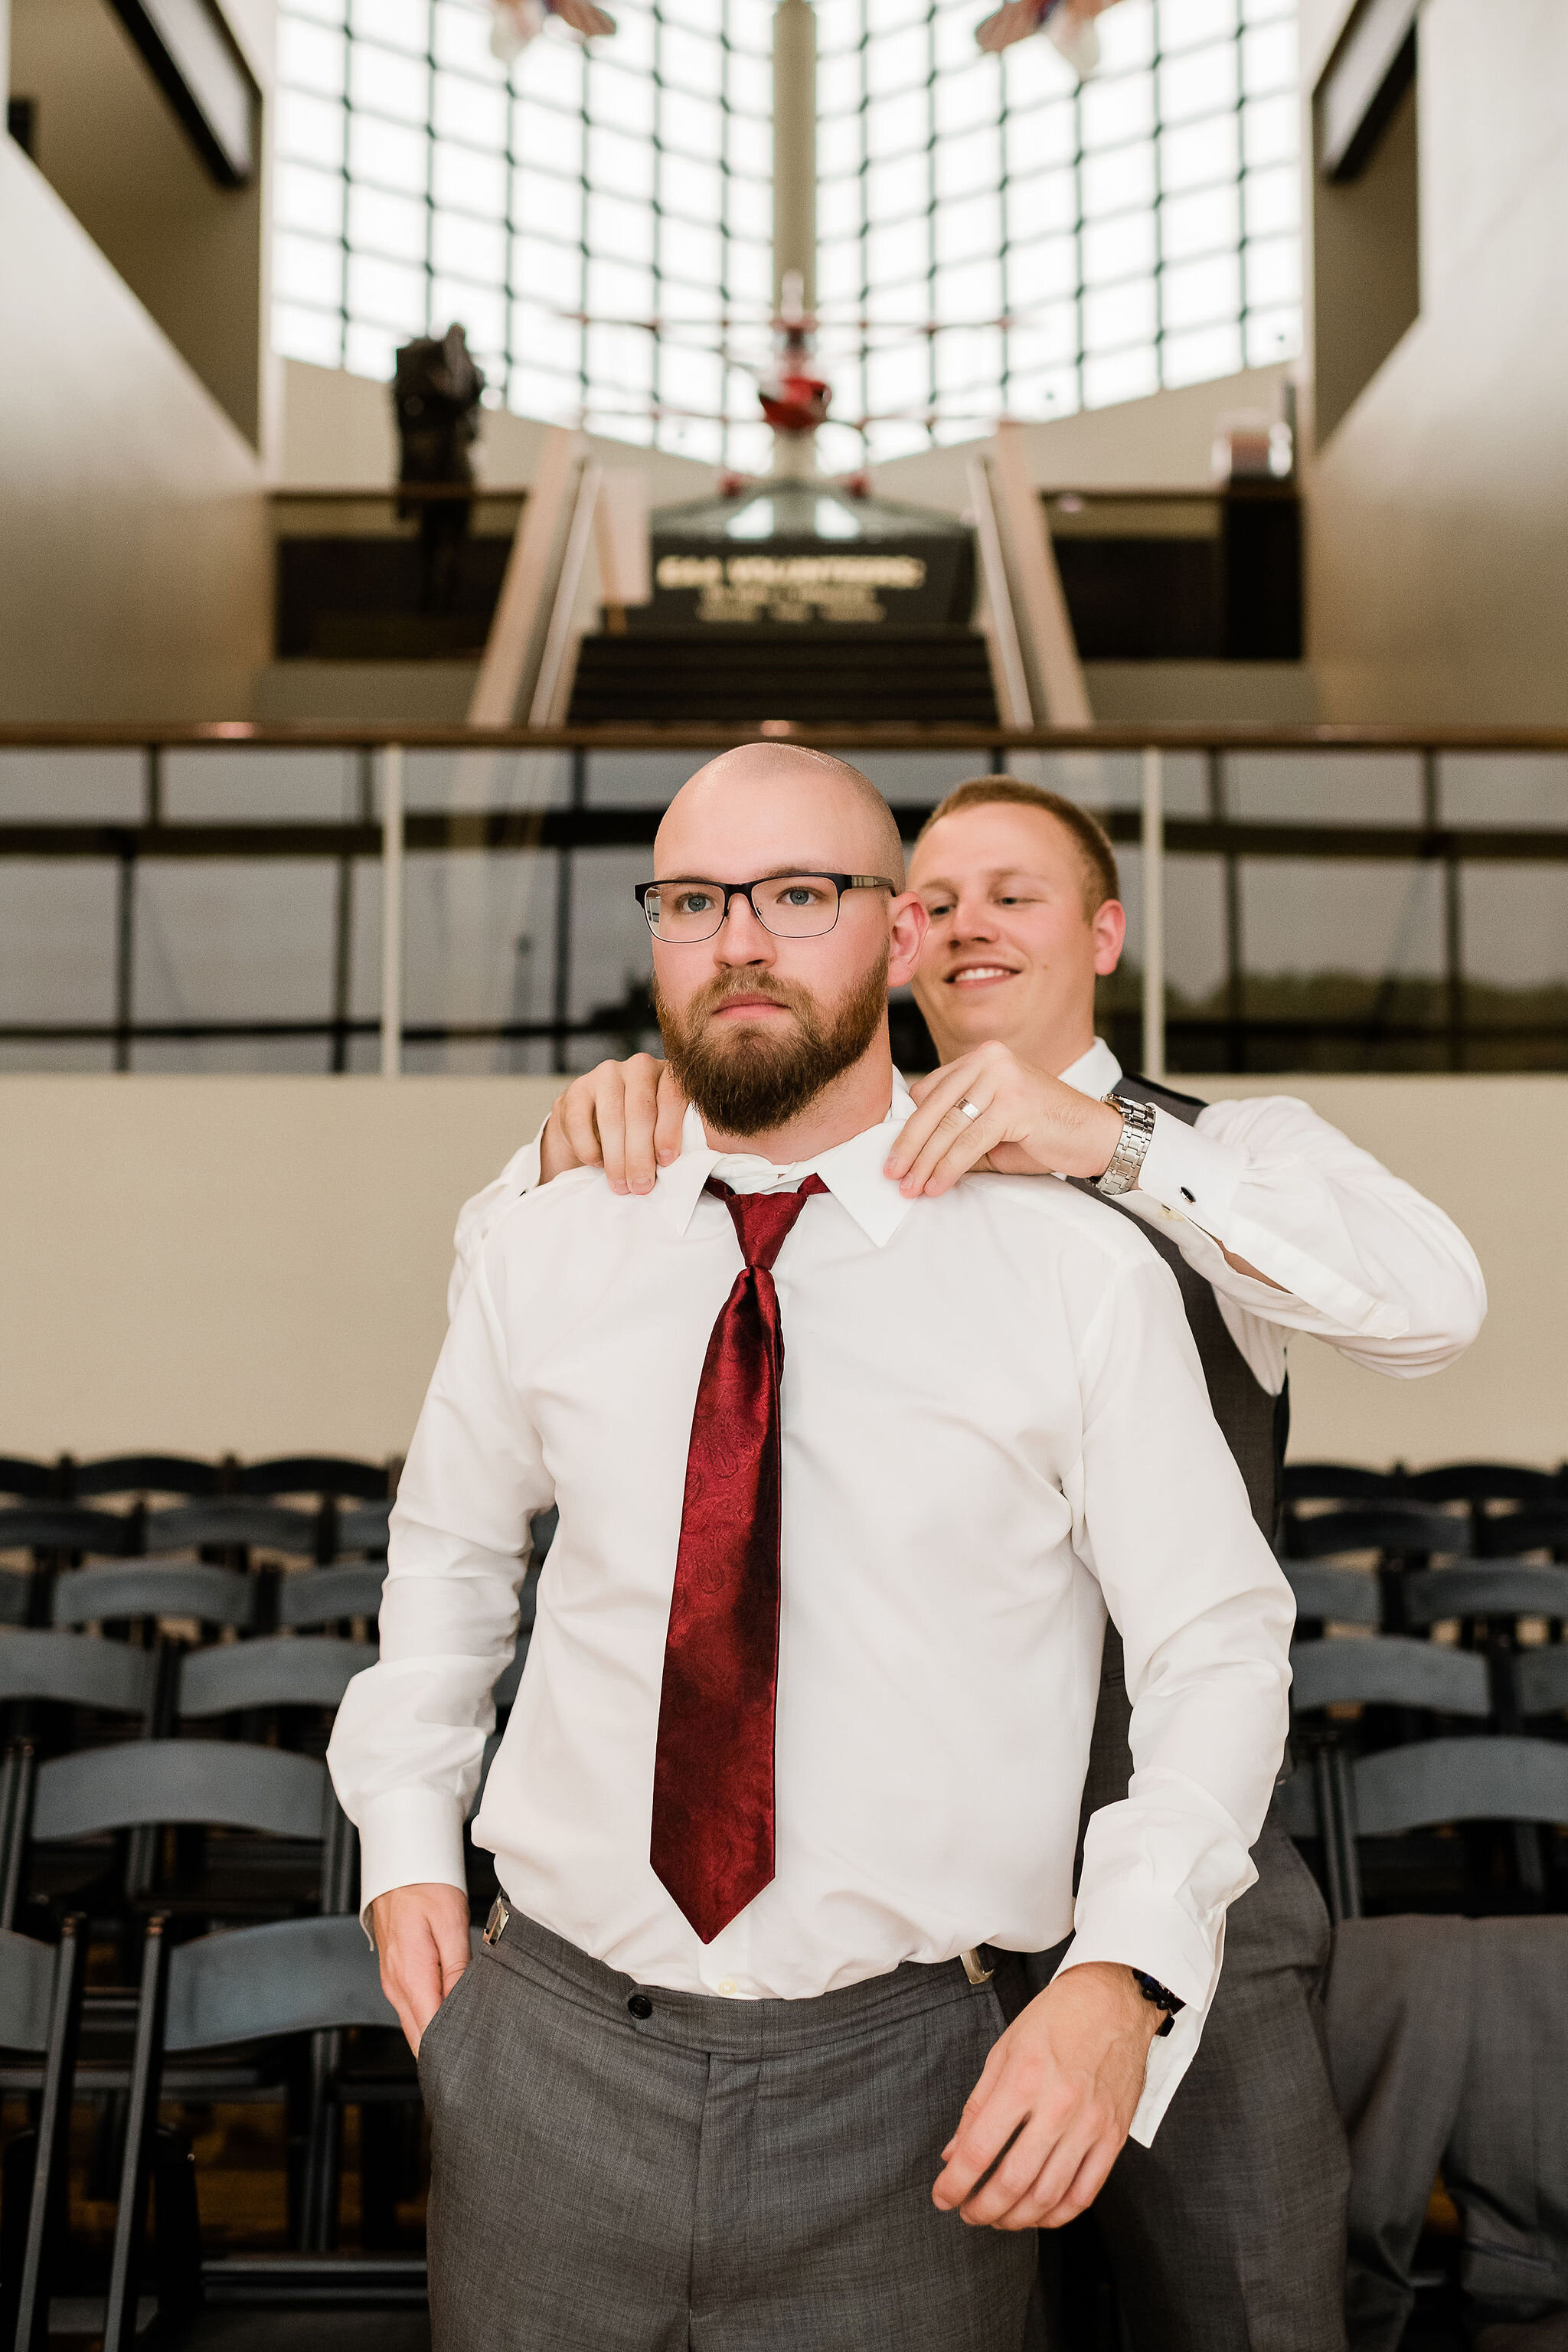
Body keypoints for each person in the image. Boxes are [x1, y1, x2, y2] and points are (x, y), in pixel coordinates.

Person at [476, 772, 1487, 2352]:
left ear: (1103, 929)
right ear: (883, 940)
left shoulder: (1232, 1152)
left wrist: (1108, 1141)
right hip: (874, 1949)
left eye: (1009, 892)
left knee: (1240, 2311)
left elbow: (1433, 1306)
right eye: (929, 900)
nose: (962, 925)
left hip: (1163, 1887)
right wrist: (567, 1151)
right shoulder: (746, 1160)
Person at [330, 744, 1295, 2352]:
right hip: (550, 2058)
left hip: (912, 2090)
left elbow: (1216, 1643)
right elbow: (444, 1565)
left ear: (899, 937)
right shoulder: (543, 1237)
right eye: (696, 900)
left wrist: (1120, 1975)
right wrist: (406, 1845)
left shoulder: (1071, 1269)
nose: (742, 943)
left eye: (799, 894)